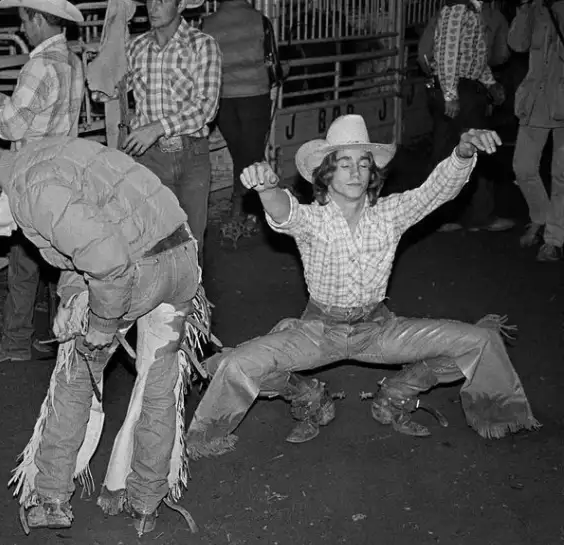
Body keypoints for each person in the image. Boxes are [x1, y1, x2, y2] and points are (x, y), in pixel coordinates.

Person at [185, 115, 539, 457]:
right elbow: (284, 213)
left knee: (479, 340)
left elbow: (435, 192)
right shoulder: (313, 219)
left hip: (378, 329)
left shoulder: (390, 213)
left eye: (363, 163)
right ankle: (305, 394)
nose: (355, 171)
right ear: (326, 173)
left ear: (373, 172)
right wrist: (267, 188)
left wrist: (462, 152)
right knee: (238, 363)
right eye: (344, 162)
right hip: (319, 331)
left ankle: (401, 391)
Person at [0, 137, 207, 536]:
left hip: (138, 270)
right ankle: (145, 500)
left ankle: (51, 495)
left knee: (76, 375)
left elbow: (109, 267)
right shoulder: (37, 167)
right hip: (179, 257)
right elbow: (82, 241)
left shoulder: (33, 196)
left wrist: (99, 330)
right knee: (159, 382)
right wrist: (71, 298)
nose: (1, 237)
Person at [0, 0, 85, 363]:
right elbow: (31, 110)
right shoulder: (72, 62)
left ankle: (15, 343)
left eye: (25, 21)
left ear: (39, 19)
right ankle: (55, 337)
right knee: (59, 257)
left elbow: (12, 125)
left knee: (23, 261)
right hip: (61, 169)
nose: (23, 29)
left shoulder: (38, 65)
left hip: (31, 178)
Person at [121, 0, 222, 263]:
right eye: (150, 0)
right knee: (154, 237)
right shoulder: (136, 47)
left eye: (162, 0)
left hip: (191, 154)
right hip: (149, 156)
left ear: (181, 5)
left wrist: (157, 128)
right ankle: (162, 300)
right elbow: (109, 92)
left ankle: (193, 298)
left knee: (192, 236)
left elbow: (206, 108)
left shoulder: (202, 45)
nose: (153, 7)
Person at [429, 0, 513, 233]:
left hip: (459, 87)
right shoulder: (459, 9)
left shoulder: (467, 10)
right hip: (461, 90)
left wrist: (490, 82)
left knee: (446, 152)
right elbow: (447, 53)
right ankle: (480, 216)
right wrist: (450, 94)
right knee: (480, 148)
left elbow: (471, 58)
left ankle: (439, 217)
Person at [202, 0, 278, 233]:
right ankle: (250, 208)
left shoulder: (207, 24)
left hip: (223, 99)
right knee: (253, 155)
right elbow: (272, 62)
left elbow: (203, 64)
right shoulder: (260, 21)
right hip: (255, 96)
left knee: (240, 155)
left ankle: (245, 208)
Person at [508, 0, 564, 262]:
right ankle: (540, 216)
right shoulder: (536, 8)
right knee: (523, 166)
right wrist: (524, 8)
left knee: (561, 175)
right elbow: (516, 44)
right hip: (535, 101)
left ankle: (554, 238)